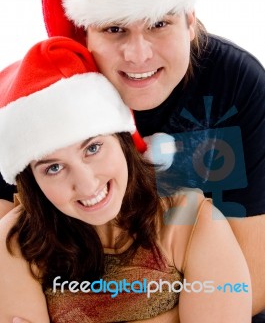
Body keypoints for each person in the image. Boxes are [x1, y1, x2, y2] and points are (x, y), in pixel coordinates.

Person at [1, 0, 265, 320]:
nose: (139, 55)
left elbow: (251, 284)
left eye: (159, 23)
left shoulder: (237, 85)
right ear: (83, 35)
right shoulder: (37, 110)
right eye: (114, 29)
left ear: (190, 21)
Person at [0, 36, 252, 323]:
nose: (86, 184)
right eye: (54, 168)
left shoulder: (191, 220)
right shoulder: (14, 243)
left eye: (93, 148)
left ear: (122, 139)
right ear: (32, 181)